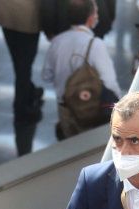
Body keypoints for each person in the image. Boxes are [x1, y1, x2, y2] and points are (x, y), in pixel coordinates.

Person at [42, 0, 122, 139]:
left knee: (69, 150)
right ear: (91, 18)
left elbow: (46, 76)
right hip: (90, 109)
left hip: (65, 109)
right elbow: (109, 83)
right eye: (96, 12)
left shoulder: (57, 42)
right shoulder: (95, 45)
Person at [0, 0, 44, 125]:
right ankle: (21, 107)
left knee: (17, 57)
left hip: (5, 9)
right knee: (25, 63)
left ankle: (29, 89)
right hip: (28, 14)